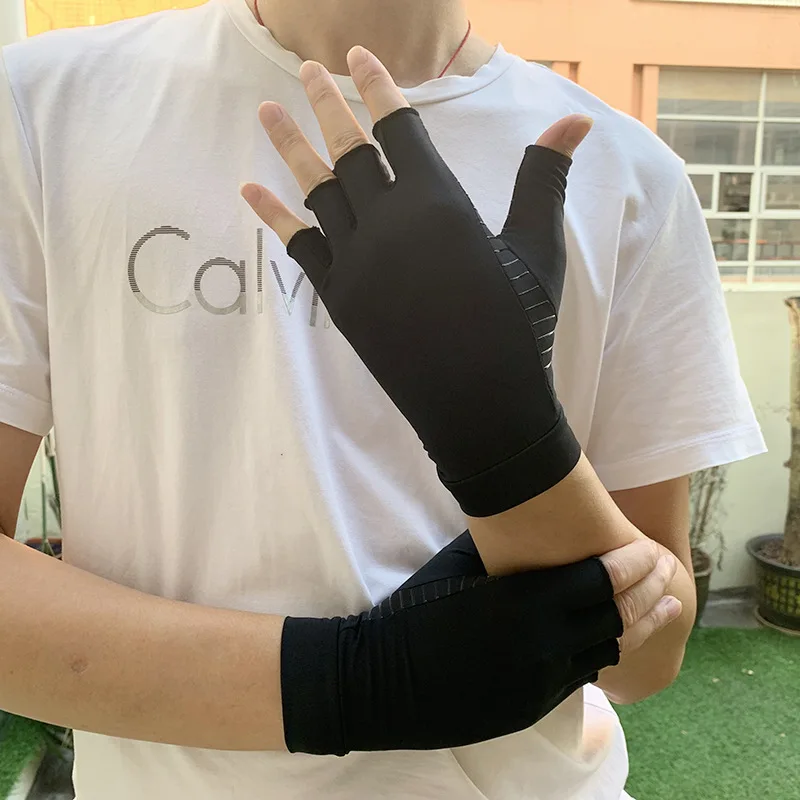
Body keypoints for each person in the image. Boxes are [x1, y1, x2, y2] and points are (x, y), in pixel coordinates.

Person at [0, 0, 765, 798]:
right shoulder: (41, 106)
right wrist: (358, 683)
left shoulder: (628, 172)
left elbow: (651, 656)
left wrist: (506, 434)